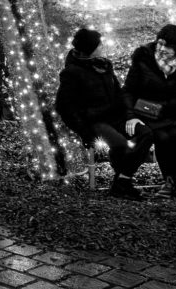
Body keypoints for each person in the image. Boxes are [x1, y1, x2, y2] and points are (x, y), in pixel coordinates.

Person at [55, 28, 142, 200]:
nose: (103, 46)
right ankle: (122, 184)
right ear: (90, 48)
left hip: (114, 116)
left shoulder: (104, 65)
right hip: (95, 120)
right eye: (99, 45)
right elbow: (65, 106)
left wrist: (129, 111)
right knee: (122, 144)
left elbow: (118, 92)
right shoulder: (72, 72)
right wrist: (84, 131)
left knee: (144, 134)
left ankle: (122, 181)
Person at [122, 24, 176, 199]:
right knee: (162, 136)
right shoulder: (143, 58)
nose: (162, 49)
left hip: (172, 112)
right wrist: (130, 115)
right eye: (160, 43)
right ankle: (168, 181)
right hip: (148, 112)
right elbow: (128, 90)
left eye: (168, 46)